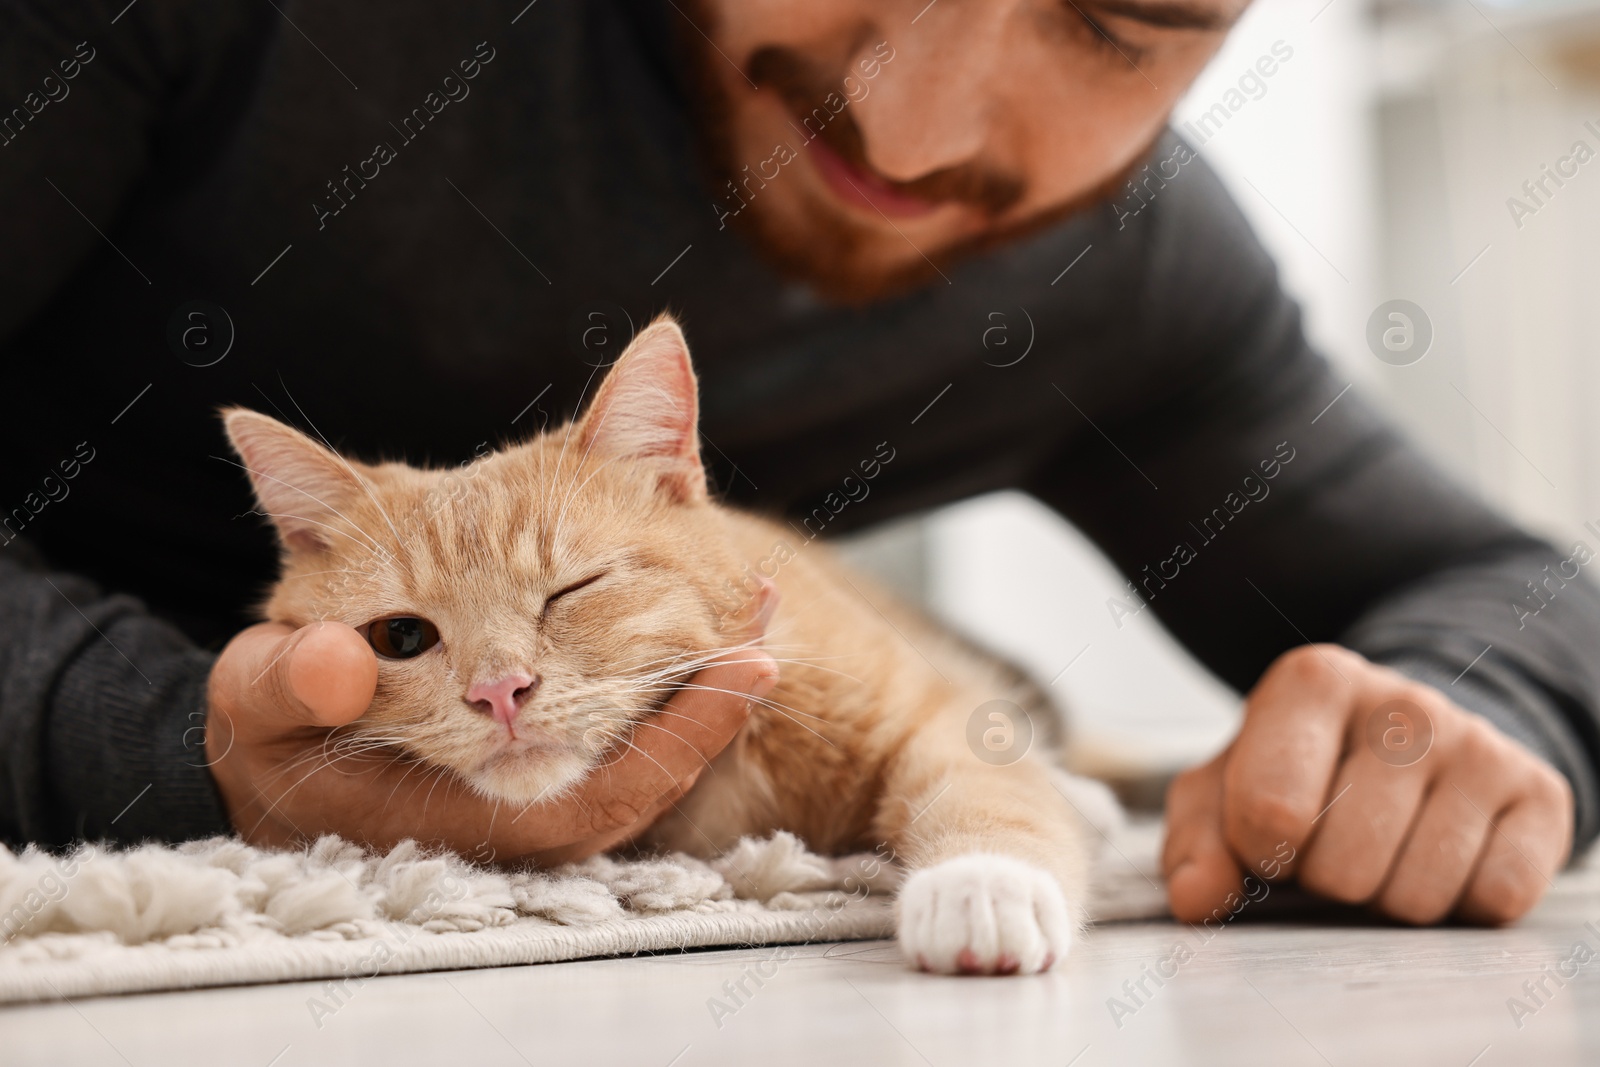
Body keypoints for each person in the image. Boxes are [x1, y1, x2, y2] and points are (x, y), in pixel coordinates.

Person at [0, 0, 1591, 928]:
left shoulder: (1122, 257)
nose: (908, 131)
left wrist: (1456, 731)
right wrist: (161, 742)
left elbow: (1512, 594)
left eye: (1120, 16)